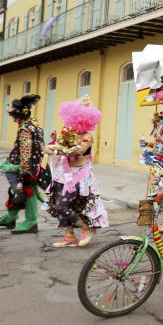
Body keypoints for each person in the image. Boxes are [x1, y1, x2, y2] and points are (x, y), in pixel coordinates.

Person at [44, 97, 109, 247]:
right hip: (63, 175)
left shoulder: (87, 137)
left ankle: (84, 227)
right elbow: (60, 147)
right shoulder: (68, 134)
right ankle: (69, 236)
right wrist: (54, 142)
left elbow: (78, 151)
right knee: (58, 204)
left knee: (63, 205)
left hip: (79, 176)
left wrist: (55, 151)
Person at [0, 94, 46, 234]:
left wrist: (24, 169)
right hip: (32, 166)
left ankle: (31, 221)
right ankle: (11, 217)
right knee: (16, 191)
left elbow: (25, 150)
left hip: (26, 168)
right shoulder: (35, 125)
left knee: (25, 192)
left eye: (13, 116)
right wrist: (8, 159)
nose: (12, 119)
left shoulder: (25, 129)